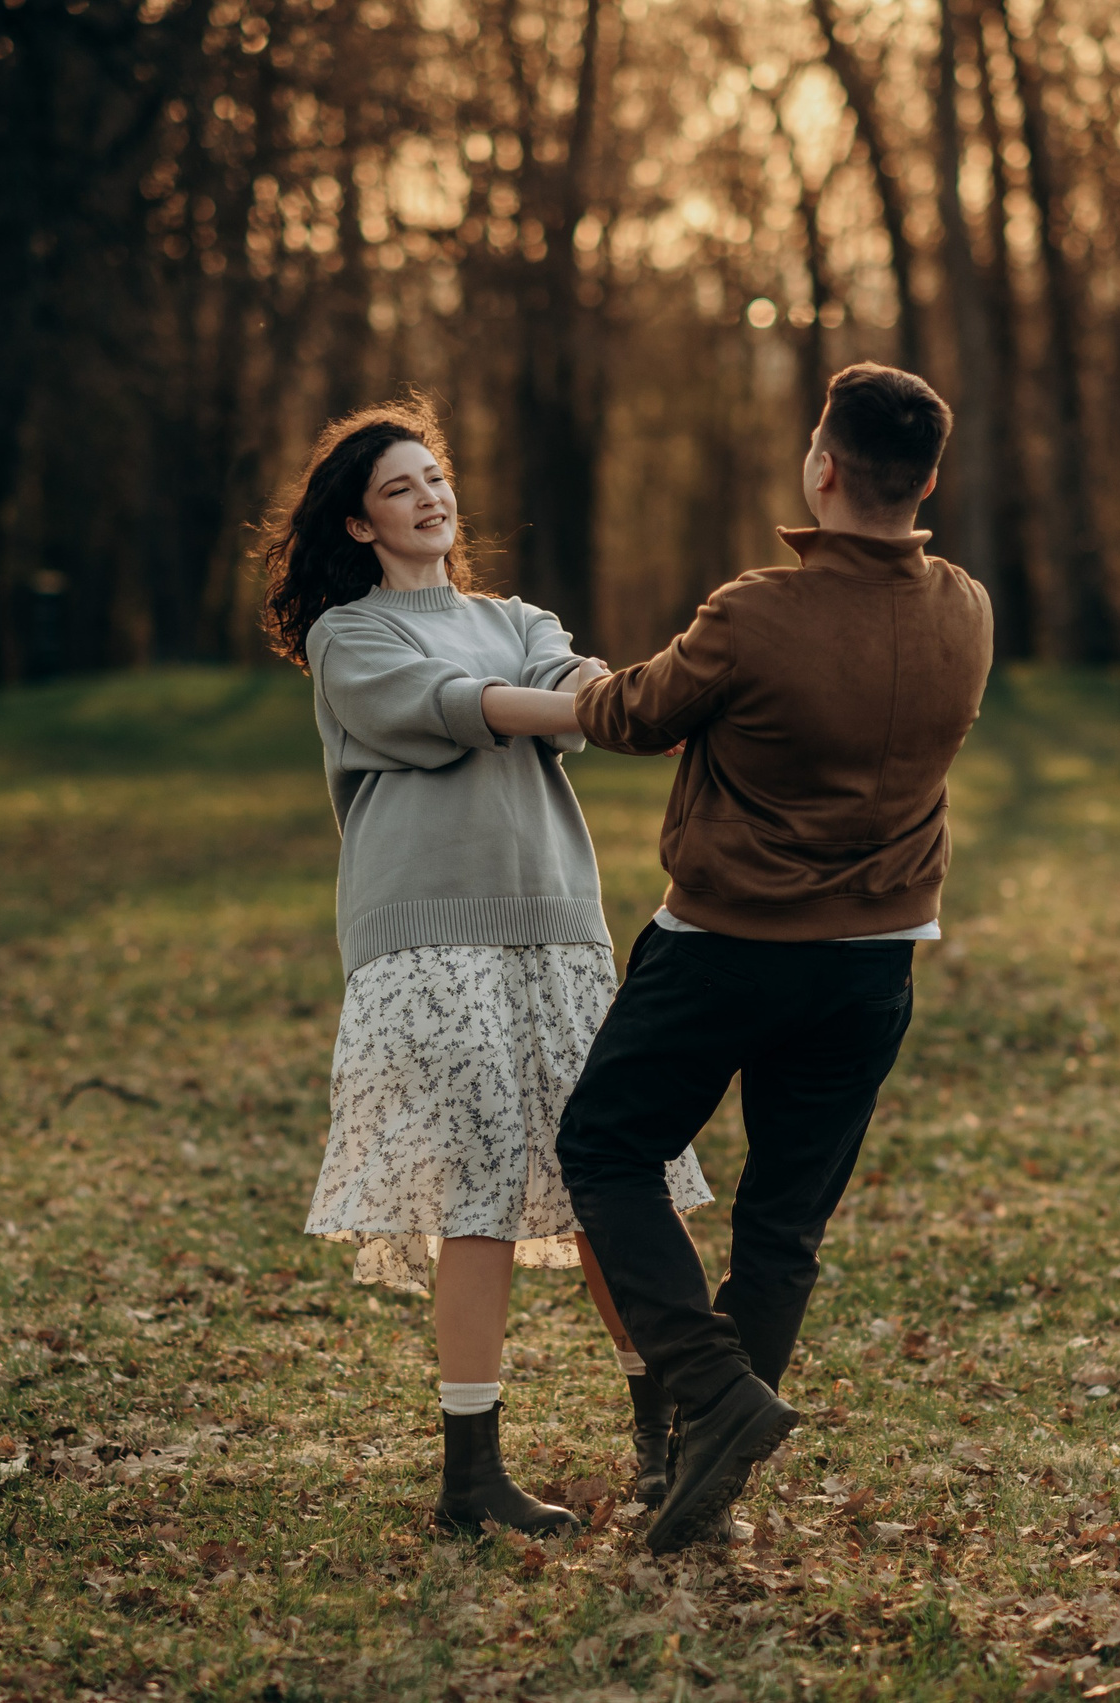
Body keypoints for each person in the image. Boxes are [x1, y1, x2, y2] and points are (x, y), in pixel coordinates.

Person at [556, 363, 994, 1552]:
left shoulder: (755, 610)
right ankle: (706, 1452)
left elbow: (634, 715)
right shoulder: (965, 607)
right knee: (784, 1220)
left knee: (604, 1146)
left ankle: (712, 1385)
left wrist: (566, 686)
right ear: (927, 483)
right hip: (873, 964)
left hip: (727, 947)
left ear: (823, 466)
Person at [262, 399, 715, 1537]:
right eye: (399, 488)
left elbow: (580, 689)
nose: (430, 499)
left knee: (617, 1178)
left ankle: (665, 1437)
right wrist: (608, 707)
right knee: (475, 1196)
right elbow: (460, 709)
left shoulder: (518, 618)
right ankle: (472, 1476)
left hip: (558, 930)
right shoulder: (349, 636)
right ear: (359, 524)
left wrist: (643, 698)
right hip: (426, 941)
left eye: (436, 477)